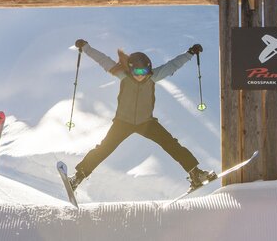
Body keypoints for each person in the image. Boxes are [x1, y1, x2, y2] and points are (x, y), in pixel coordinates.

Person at [68, 39, 216, 192]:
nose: (141, 75)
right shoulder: (122, 75)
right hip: (122, 123)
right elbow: (102, 60)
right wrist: (86, 47)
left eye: (144, 71)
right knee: (104, 148)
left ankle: (195, 174)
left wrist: (190, 53)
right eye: (137, 72)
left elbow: (173, 65)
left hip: (146, 123)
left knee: (171, 144)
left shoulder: (153, 77)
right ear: (130, 70)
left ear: (149, 70)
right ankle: (78, 176)